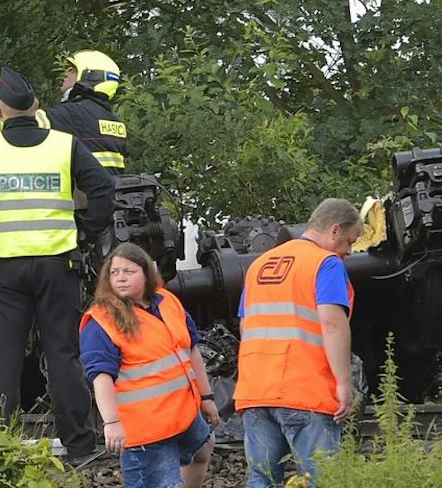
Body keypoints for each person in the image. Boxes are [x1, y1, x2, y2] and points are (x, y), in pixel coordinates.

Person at [0, 68, 116, 462]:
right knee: (63, 353)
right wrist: (83, 233)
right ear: (37, 107)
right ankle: (79, 446)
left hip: (4, 272)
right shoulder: (64, 145)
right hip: (58, 266)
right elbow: (104, 189)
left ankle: (2, 447)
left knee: (4, 358)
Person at [236, 198, 363, 488]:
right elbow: (332, 324)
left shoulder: (259, 265)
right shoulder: (325, 263)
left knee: (261, 478)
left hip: (256, 391)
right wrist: (343, 383)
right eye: (348, 241)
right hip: (305, 391)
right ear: (334, 230)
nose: (348, 251)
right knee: (323, 479)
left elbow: (246, 326)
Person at [82, 243, 220, 488]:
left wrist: (206, 396)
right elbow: (100, 376)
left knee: (203, 448)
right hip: (147, 430)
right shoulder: (103, 320)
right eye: (114, 273)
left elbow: (190, 348)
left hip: (183, 414)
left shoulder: (167, 301)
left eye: (129, 271)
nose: (120, 278)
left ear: (147, 273)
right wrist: (111, 423)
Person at [43, 50, 128, 172]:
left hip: (82, 190)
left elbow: (25, 121)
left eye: (73, 71)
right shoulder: (116, 123)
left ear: (91, 77)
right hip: (109, 190)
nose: (67, 74)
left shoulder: (74, 113)